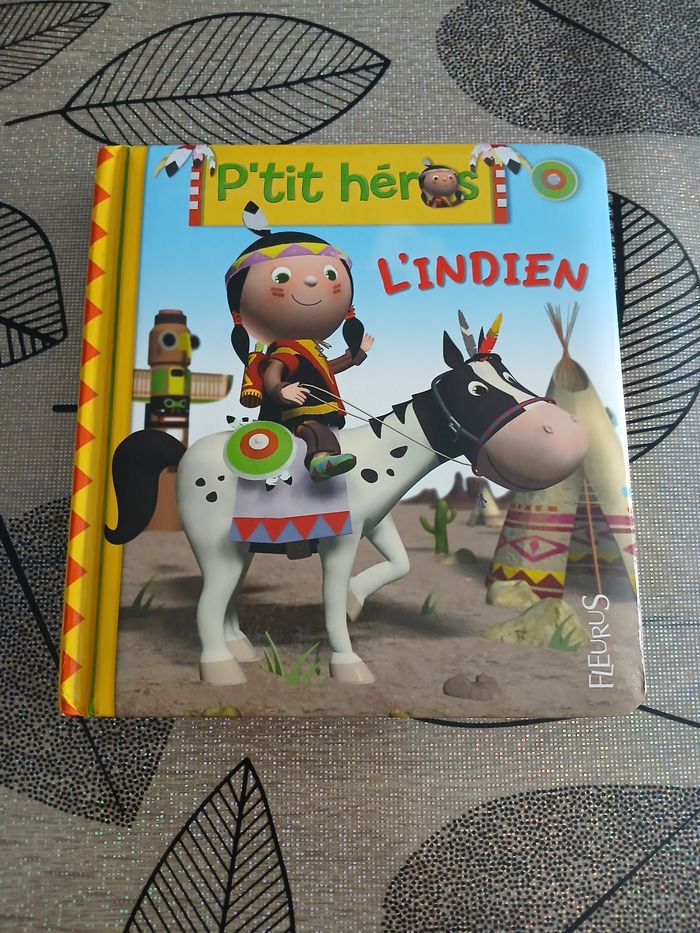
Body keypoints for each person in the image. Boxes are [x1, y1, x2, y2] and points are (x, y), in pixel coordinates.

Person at [225, 202, 373, 482]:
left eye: (330, 274)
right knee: (316, 430)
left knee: (319, 427)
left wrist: (356, 356)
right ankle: (319, 461)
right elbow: (273, 372)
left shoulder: (308, 348)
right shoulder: (286, 349)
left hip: (315, 407)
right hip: (296, 412)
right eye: (281, 277)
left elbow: (326, 368)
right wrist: (281, 390)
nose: (311, 281)